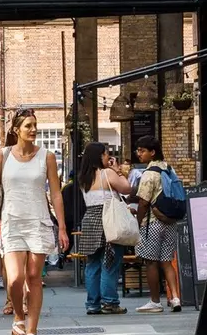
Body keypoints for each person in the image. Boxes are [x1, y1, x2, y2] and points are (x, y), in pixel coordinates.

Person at [0, 109, 69, 335]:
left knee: (33, 276)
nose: (33, 130)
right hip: (12, 221)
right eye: (28, 126)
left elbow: (55, 193)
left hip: (38, 221)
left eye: (35, 125)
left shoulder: (47, 156)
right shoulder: (2, 155)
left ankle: (32, 329)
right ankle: (19, 317)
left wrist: (61, 226)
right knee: (15, 278)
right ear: (16, 130)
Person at [76, 142, 134, 315]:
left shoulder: (83, 177)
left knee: (92, 265)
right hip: (108, 219)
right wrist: (117, 170)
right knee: (110, 262)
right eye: (106, 154)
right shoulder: (107, 173)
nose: (108, 157)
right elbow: (127, 188)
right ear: (99, 156)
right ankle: (109, 302)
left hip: (90, 220)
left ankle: (92, 304)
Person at [131, 135, 182, 313]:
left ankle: (155, 302)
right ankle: (175, 298)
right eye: (138, 150)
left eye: (142, 150)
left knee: (151, 262)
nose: (139, 154)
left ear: (152, 152)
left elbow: (143, 202)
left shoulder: (149, 173)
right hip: (169, 221)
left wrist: (137, 224)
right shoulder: (169, 169)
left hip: (152, 223)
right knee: (167, 261)